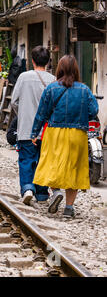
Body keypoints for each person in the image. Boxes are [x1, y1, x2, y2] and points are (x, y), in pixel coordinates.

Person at [31, 55, 98, 217]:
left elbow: (41, 113)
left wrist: (34, 133)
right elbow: (93, 111)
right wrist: (80, 117)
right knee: (74, 169)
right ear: (76, 69)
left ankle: (56, 192)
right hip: (78, 134)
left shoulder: (51, 88)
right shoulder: (84, 89)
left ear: (59, 68)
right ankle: (69, 208)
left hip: (55, 133)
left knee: (51, 165)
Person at [11, 46, 55, 205]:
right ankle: (42, 194)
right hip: (46, 131)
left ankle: (28, 189)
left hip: (26, 128)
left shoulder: (23, 77)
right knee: (43, 160)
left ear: (32, 60)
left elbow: (14, 101)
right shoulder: (53, 80)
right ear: (48, 61)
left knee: (26, 159)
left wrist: (22, 114)